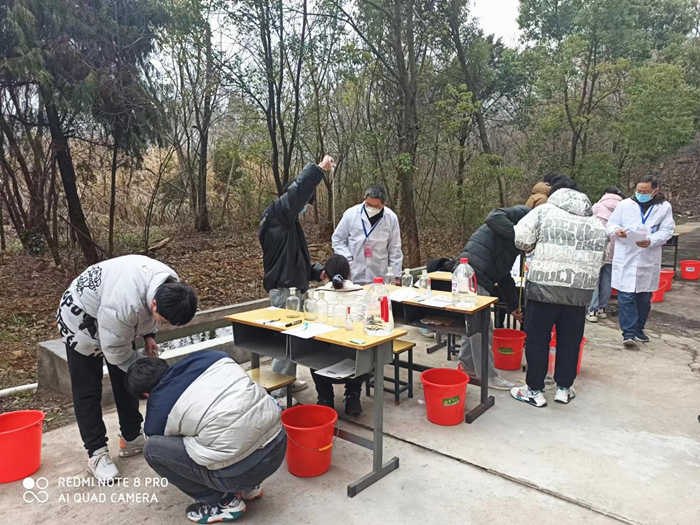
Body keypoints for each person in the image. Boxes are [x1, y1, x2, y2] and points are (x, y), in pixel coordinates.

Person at [55, 255, 197, 481]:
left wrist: (149, 334)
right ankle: (96, 452)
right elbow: (115, 350)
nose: (165, 324)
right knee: (88, 389)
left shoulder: (170, 285)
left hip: (111, 312)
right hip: (80, 316)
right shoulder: (124, 305)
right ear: (154, 304)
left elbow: (145, 316)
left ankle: (131, 437)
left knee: (126, 379)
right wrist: (151, 376)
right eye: (164, 320)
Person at [126, 351, 285, 524]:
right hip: (278, 446)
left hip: (241, 476)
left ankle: (222, 503)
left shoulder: (158, 408)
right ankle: (251, 488)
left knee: (153, 450)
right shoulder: (212, 357)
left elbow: (155, 439)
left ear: (146, 395)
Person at [510, 177, 607, 407]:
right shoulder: (595, 222)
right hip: (579, 291)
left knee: (538, 339)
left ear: (554, 192)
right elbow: (604, 255)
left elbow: (521, 240)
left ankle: (535, 390)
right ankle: (564, 388)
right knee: (570, 341)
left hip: (544, 287)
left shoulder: (543, 211)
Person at [259, 155, 335, 405]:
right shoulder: (275, 217)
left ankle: (287, 381)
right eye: (302, 204)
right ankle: (278, 395)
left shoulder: (288, 226)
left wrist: (317, 272)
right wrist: (319, 169)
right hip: (284, 292)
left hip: (292, 288)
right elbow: (298, 191)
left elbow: (295, 262)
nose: (303, 209)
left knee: (294, 339)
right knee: (287, 341)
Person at [456, 205, 531, 390]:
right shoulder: (525, 215)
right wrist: (518, 236)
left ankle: (466, 366)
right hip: (473, 273)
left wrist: (513, 306)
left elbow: (503, 274)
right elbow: (493, 216)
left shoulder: (513, 245)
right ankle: (488, 376)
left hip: (476, 274)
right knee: (482, 328)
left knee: (473, 326)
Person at [606, 175, 675, 347]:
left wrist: (652, 240)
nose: (641, 194)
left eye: (645, 191)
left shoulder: (664, 207)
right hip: (626, 256)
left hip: (648, 257)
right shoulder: (625, 205)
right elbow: (611, 224)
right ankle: (628, 333)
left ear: (655, 191)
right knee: (626, 297)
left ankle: (639, 330)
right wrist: (617, 230)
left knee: (644, 299)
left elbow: (667, 230)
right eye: (638, 191)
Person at [311, 255, 367, 415]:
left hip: (322, 361)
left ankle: (325, 398)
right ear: (349, 273)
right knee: (364, 345)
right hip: (356, 362)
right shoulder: (361, 293)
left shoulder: (317, 294)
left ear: (325, 275)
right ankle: (353, 396)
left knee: (310, 347)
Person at [331, 185, 403, 285]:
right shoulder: (351, 214)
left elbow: (395, 249)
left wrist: (395, 275)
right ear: (364, 199)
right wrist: (347, 259)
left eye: (376, 206)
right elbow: (338, 239)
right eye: (368, 204)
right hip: (353, 273)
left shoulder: (391, 218)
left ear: (383, 204)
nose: (371, 208)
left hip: (379, 276)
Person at [586, 187, 624, 323]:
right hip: (615, 249)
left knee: (594, 279)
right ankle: (602, 309)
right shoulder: (624, 208)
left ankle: (592, 310)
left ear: (606, 193)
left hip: (598, 247)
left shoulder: (597, 206)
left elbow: (589, 225)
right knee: (607, 279)